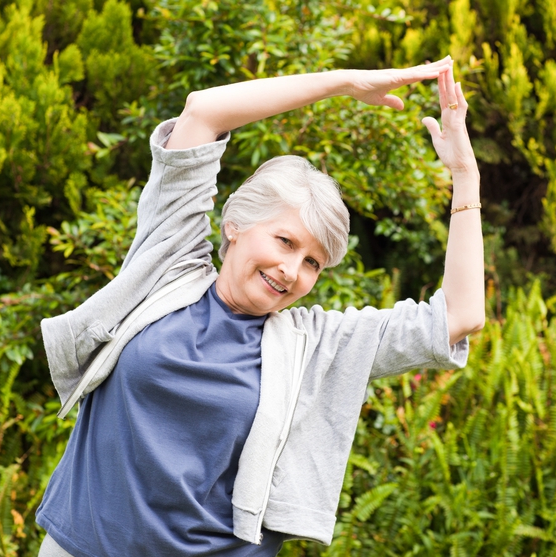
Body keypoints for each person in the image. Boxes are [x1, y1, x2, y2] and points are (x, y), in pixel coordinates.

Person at [36, 56, 484, 556]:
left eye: (314, 262)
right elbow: (203, 112)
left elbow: (460, 315)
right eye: (286, 241)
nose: (293, 271)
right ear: (236, 226)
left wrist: (465, 176)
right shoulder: (167, 269)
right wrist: (343, 82)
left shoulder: (313, 345)